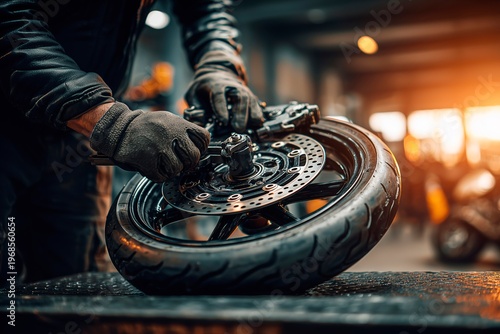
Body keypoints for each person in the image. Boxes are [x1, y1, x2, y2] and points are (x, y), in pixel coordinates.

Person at [0, 0, 263, 284]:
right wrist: (110, 122)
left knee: (76, 286)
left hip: (79, 141)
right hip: (10, 126)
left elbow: (204, 8)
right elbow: (10, 21)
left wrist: (219, 65)